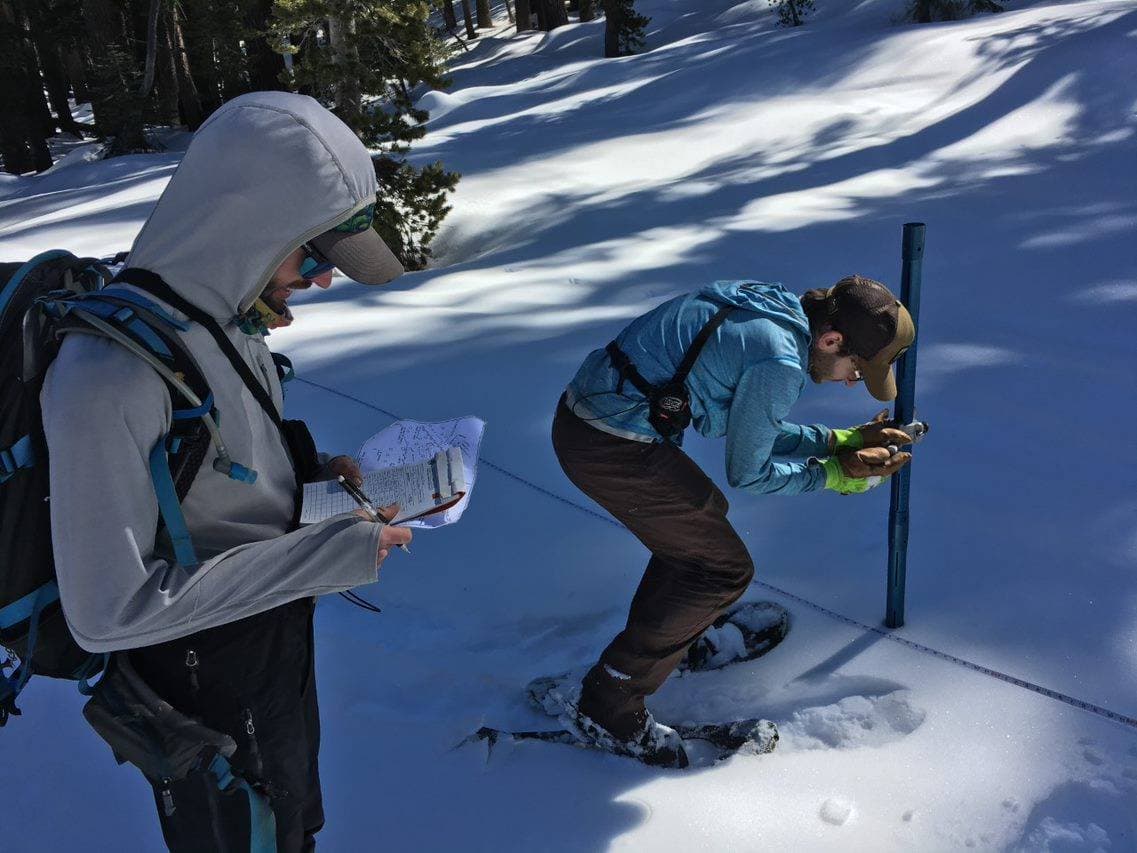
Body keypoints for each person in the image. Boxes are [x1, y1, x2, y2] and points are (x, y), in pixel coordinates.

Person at [41, 92, 411, 850]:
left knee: (291, 822)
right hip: (196, 688)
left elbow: (219, 461)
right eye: (312, 253)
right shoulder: (106, 376)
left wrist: (311, 472)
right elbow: (108, 612)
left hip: (267, 652)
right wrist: (329, 554)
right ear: (247, 226)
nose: (321, 280)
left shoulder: (220, 314)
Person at [547, 275, 916, 767]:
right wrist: (834, 474)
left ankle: (668, 646)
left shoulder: (767, 306)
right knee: (720, 569)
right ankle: (608, 703)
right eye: (856, 368)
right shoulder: (781, 362)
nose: (851, 381)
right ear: (831, 340)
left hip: (593, 423)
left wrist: (834, 441)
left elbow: (750, 423)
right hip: (610, 447)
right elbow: (751, 471)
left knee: (700, 529)